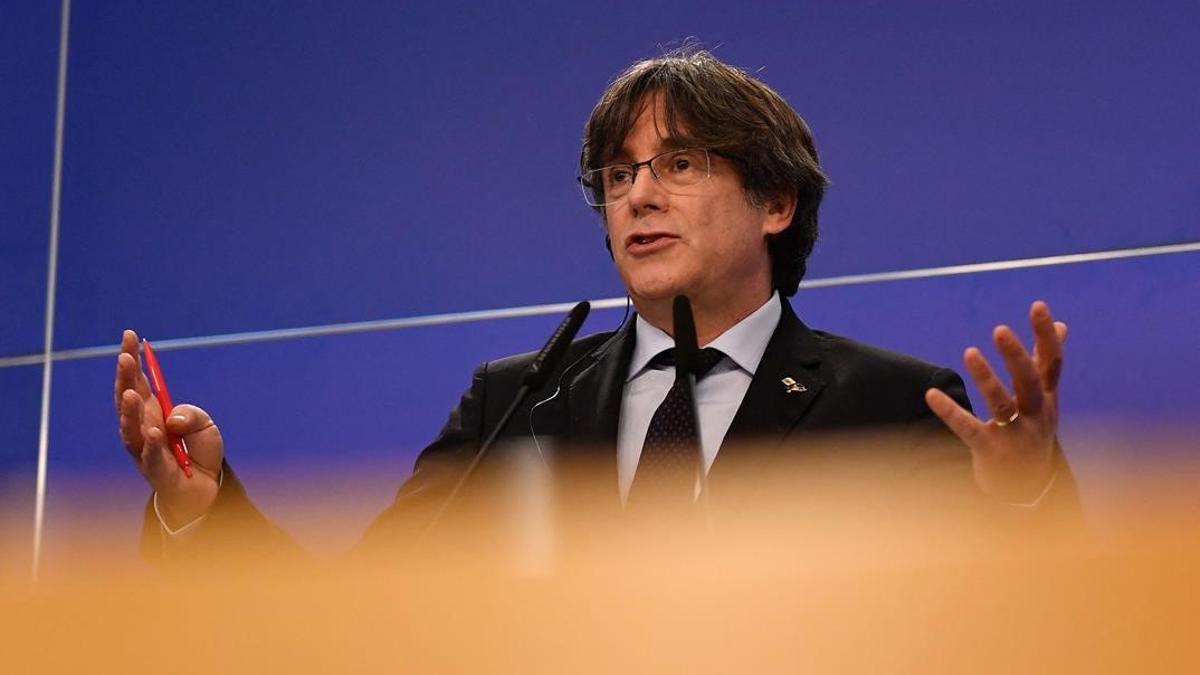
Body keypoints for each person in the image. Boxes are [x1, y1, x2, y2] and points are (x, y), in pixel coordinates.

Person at [114, 49, 1076, 559]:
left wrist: (1027, 497)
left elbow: (1024, 619)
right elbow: (368, 611)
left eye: (680, 165)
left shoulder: (893, 406)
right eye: (617, 176)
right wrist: (206, 513)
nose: (638, 197)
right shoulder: (512, 405)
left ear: (776, 202)